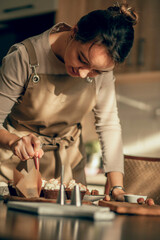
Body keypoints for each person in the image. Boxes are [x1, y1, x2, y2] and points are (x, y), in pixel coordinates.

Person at [0, 2, 138, 200]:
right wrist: (15, 142)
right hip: (16, 170)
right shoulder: (24, 58)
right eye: (81, 58)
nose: (83, 74)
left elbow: (108, 124)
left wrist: (117, 186)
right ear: (74, 32)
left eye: (95, 71)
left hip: (69, 173)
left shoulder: (103, 68)